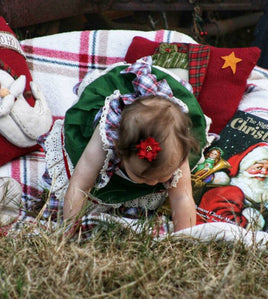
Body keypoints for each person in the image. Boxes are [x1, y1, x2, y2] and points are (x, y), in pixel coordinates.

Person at [42, 57, 209, 233]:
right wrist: (69, 231)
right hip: (100, 130)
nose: (152, 184)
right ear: (119, 151)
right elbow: (80, 186)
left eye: (162, 177)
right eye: (142, 177)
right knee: (70, 188)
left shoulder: (176, 150)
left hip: (165, 131)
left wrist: (186, 238)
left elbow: (182, 197)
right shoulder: (105, 139)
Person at [196, 142, 268, 230]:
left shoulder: (247, 198)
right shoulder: (231, 191)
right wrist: (256, 218)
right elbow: (223, 227)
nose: (264, 173)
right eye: (259, 167)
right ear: (245, 166)